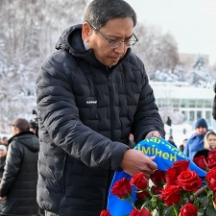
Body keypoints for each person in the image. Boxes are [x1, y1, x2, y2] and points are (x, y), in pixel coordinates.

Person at [35, 0, 165, 215]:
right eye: (113, 40)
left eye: (127, 40)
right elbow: (65, 129)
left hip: (121, 195)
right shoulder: (57, 69)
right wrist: (120, 157)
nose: (121, 49)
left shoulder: (133, 66)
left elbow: (147, 112)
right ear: (87, 31)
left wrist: (152, 133)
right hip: (70, 199)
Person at [0, 118, 40, 216]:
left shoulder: (16, 144)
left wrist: (2, 192)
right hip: (34, 199)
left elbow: (10, 172)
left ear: (17, 130)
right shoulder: (39, 143)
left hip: (15, 200)